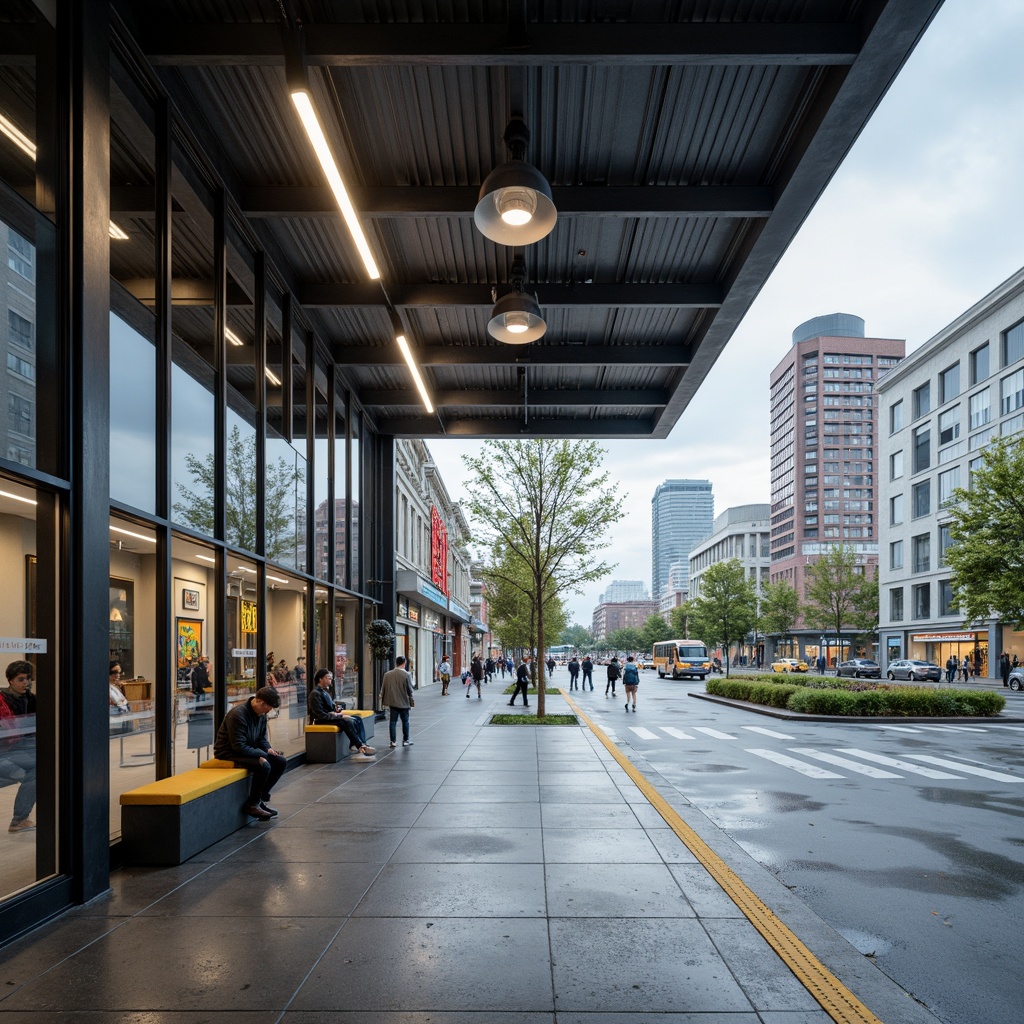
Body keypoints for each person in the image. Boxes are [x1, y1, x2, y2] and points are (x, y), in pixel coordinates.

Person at [213, 685, 285, 820]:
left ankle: (260, 798)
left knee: (280, 761)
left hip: (248, 749)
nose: (267, 712)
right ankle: (252, 805)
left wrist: (268, 749)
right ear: (261, 702)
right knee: (264, 765)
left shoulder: (261, 714)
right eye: (267, 709)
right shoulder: (237, 715)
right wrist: (262, 755)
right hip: (229, 753)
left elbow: (262, 739)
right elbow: (238, 747)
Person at [1, 660, 37, 832]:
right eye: (21, 679)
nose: (26, 683)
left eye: (28, 679)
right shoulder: (2, 700)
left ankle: (20, 819)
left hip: (19, 751)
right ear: (10, 680)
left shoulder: (30, 698)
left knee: (41, 770)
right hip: (6, 754)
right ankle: (19, 819)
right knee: (37, 773)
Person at [307, 669, 375, 756]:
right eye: (328, 678)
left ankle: (361, 743)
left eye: (331, 678)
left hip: (330, 717)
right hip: (323, 719)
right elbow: (320, 715)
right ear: (321, 679)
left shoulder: (325, 692)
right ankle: (360, 745)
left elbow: (331, 709)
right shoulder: (315, 694)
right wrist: (338, 716)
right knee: (345, 721)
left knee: (357, 718)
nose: (330, 680)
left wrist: (337, 713)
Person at [380, 656, 415, 747]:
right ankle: (405, 740)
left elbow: (383, 688)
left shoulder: (387, 674)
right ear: (404, 663)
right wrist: (411, 698)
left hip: (392, 702)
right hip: (403, 702)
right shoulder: (406, 675)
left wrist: (383, 700)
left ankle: (393, 741)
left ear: (396, 663)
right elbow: (409, 690)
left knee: (392, 722)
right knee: (405, 721)